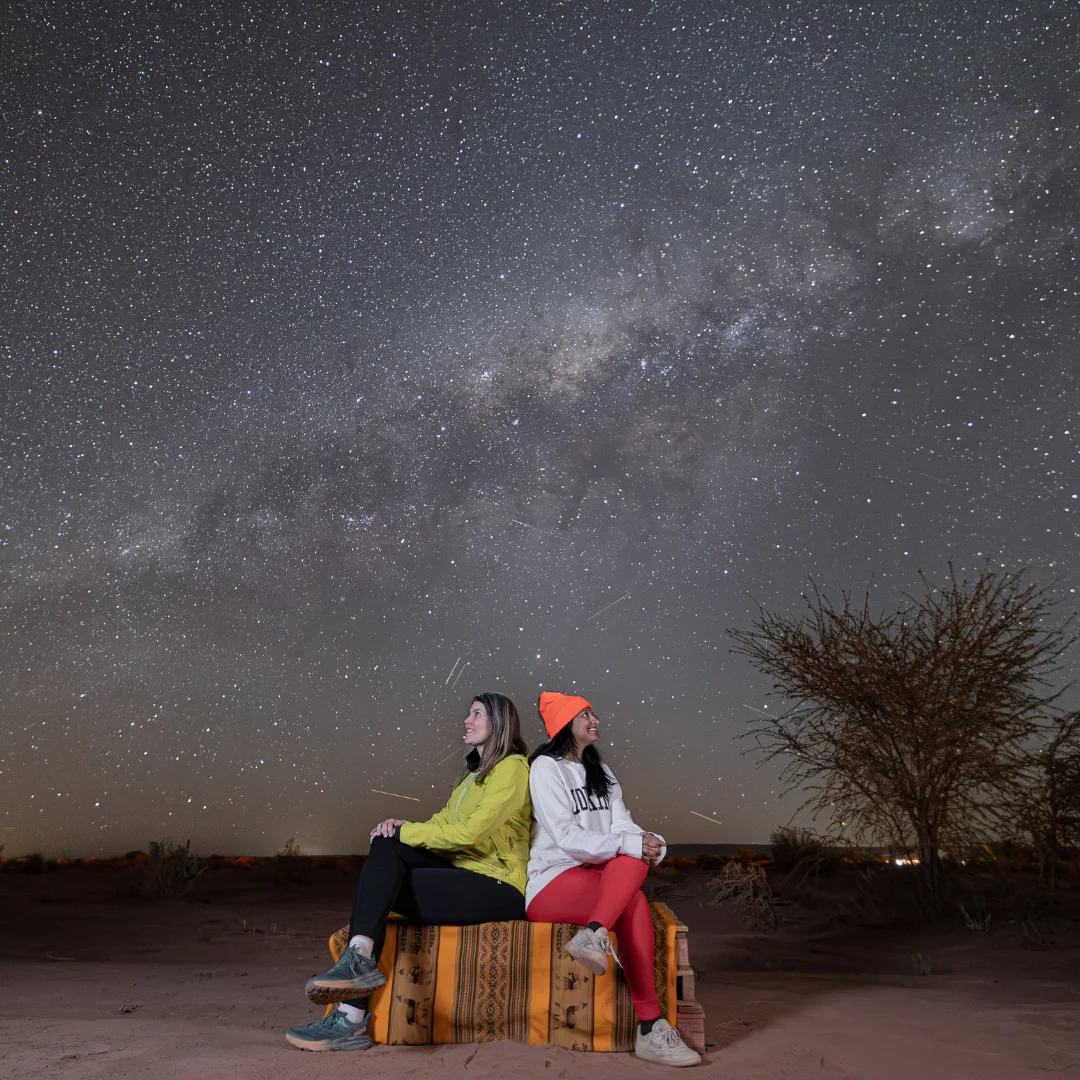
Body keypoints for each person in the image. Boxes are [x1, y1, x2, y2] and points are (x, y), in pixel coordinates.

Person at [285, 692, 531, 1052]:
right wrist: (401, 827)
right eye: (468, 714)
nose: (466, 720)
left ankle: (351, 1019)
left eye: (476, 714)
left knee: (381, 886)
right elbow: (442, 824)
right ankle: (359, 959)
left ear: (499, 722)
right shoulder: (470, 779)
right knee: (385, 848)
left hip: (498, 885)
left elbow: (468, 833)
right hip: (463, 870)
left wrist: (407, 833)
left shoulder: (512, 768)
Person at [526, 691, 701, 1067]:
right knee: (633, 887)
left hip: (599, 879)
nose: (596, 719)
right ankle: (650, 1024)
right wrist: (630, 844)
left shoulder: (601, 771)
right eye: (585, 714)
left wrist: (653, 843)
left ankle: (594, 936)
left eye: (593, 712)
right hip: (552, 880)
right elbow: (567, 838)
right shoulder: (545, 768)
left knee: (633, 870)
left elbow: (623, 825)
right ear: (565, 725)